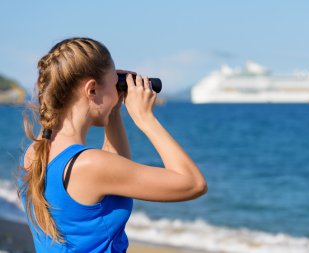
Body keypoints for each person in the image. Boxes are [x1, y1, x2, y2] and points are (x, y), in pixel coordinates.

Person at [16, 37, 208, 252]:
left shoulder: (34, 154)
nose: (117, 91)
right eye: (113, 83)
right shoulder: (89, 165)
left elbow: (113, 175)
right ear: (92, 90)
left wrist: (114, 110)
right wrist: (145, 118)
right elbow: (193, 183)